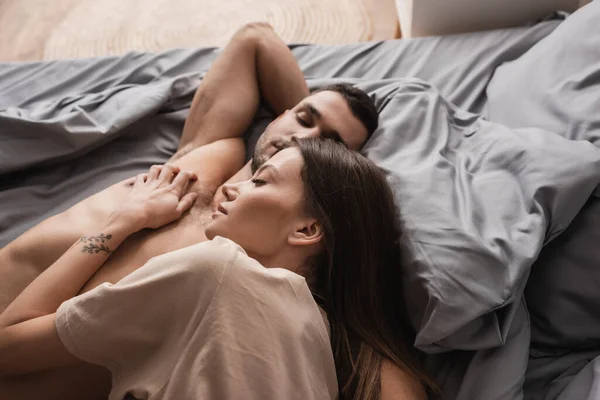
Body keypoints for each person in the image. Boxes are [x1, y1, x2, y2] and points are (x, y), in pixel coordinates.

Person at [0, 23, 431, 399]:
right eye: (303, 118)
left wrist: (318, 171)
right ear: (281, 113)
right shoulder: (206, 161)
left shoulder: (259, 263)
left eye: (329, 144)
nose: (304, 137)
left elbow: (377, 349)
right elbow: (254, 39)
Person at [0, 138, 434, 399]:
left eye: (260, 181)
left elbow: (8, 347)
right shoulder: (340, 348)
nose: (232, 185)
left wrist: (122, 222)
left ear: (306, 229)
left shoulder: (212, 270)